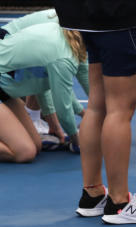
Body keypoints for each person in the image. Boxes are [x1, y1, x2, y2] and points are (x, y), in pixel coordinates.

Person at [54, 0, 136, 224]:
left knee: (98, 104)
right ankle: (119, 202)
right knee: (120, 110)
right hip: (121, 15)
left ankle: (93, 194)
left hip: (82, 14)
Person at [0, 9, 89, 148]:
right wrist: (75, 139)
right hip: (5, 61)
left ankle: (33, 119)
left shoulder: (68, 32)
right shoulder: (63, 55)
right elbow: (61, 102)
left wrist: (93, 115)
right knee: (25, 151)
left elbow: (82, 80)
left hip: (6, 79)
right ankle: (34, 119)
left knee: (35, 144)